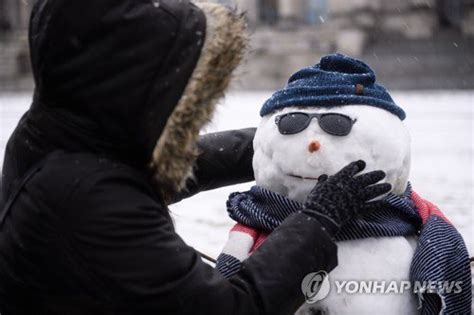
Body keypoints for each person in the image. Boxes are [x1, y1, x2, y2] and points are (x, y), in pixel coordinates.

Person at [0, 1, 390, 314]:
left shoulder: (56, 135)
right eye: (185, 89)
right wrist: (317, 221)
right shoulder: (88, 200)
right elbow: (235, 307)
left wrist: (284, 142)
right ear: (138, 88)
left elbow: (164, 164)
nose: (194, 104)